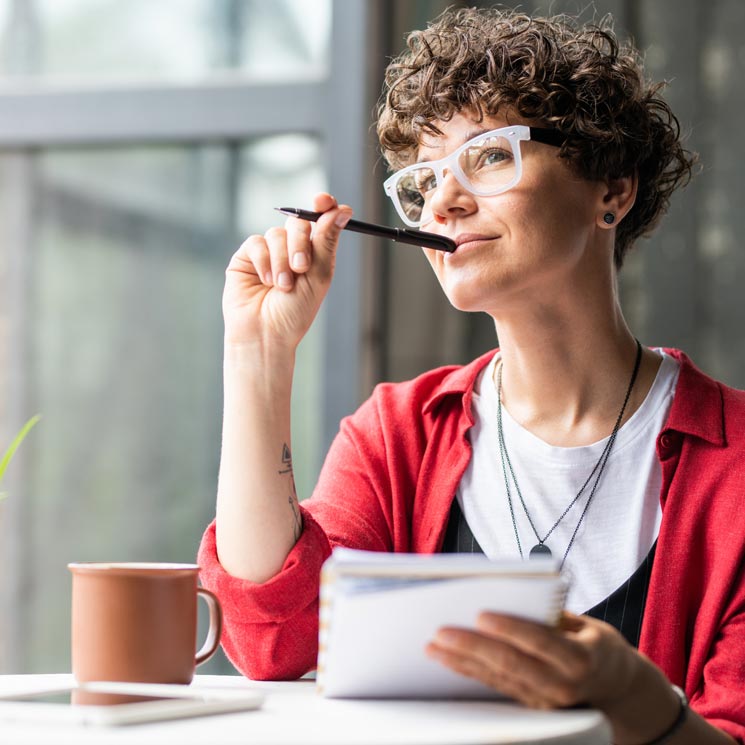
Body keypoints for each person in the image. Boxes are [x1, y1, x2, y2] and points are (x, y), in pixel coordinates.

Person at [199, 7, 745, 744]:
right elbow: (274, 643)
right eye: (421, 180)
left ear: (611, 189)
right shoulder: (396, 435)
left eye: (488, 156)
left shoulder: (735, 463)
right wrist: (257, 356)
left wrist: (628, 694)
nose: (443, 203)